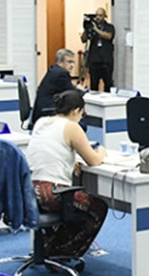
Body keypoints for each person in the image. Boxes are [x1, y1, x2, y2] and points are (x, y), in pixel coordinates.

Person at [26, 89, 109, 262]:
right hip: (52, 194)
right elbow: (93, 160)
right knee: (98, 207)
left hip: (29, 190)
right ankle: (62, 252)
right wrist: (102, 151)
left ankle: (51, 247)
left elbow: (50, 151)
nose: (81, 117)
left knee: (78, 204)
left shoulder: (41, 122)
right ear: (75, 111)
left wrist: (72, 162)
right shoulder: (72, 127)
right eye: (82, 113)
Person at [33, 48, 81, 123]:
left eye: (73, 62)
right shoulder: (62, 73)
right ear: (60, 62)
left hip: (41, 110)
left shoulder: (54, 69)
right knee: (81, 122)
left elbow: (67, 88)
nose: (72, 65)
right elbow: (73, 93)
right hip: (48, 111)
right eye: (69, 62)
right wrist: (82, 91)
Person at [82, 7, 116, 92]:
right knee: (94, 85)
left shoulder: (109, 27)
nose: (97, 17)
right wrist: (86, 28)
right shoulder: (92, 26)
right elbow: (83, 39)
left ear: (105, 16)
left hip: (106, 60)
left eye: (100, 15)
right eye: (96, 15)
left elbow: (109, 36)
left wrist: (96, 30)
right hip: (94, 60)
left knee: (108, 84)